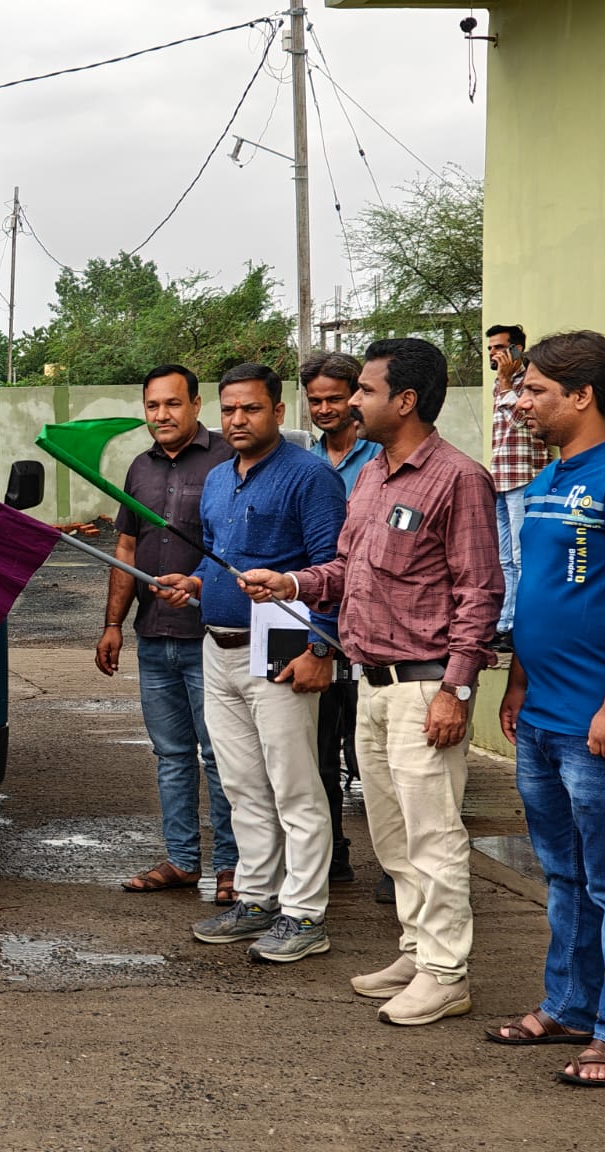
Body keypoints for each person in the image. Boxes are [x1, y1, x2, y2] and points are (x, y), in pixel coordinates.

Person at [241, 338, 502, 1024]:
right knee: (392, 834)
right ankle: (418, 952)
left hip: (425, 686)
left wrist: (458, 689)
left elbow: (480, 592)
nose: (350, 402)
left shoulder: (457, 478)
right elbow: (345, 572)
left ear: (405, 401)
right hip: (371, 684)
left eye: (363, 391)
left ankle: (447, 973)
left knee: (433, 835)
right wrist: (291, 581)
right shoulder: (372, 477)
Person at [489, 330, 605, 1087]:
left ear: (582, 395)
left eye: (532, 390)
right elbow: (544, 593)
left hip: (601, 723)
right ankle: (569, 1006)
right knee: (563, 875)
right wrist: (521, 681)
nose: (519, 400)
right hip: (542, 717)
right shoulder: (550, 477)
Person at [161, 363, 347, 964]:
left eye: (251, 409)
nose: (238, 420)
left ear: (279, 412)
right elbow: (227, 559)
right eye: (229, 410)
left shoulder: (311, 478)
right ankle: (258, 897)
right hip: (216, 647)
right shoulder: (218, 479)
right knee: (242, 785)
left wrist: (320, 648)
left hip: (284, 651)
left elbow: (334, 570)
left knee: (294, 786)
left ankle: (305, 914)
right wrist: (193, 584)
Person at [97, 365, 237, 903]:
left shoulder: (228, 460)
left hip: (213, 636)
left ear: (196, 404)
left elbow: (240, 546)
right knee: (172, 756)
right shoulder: (139, 468)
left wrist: (201, 585)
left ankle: (231, 867)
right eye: (153, 406)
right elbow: (126, 550)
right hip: (154, 638)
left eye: (172, 404)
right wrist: (112, 625)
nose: (162, 415)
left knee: (219, 756)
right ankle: (182, 861)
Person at [299, 352, 382, 888]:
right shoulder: (305, 463)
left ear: (357, 395)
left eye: (336, 398)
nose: (326, 409)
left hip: (376, 627)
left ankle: (398, 869)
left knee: (376, 757)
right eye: (316, 400)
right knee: (321, 752)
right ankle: (334, 855)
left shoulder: (382, 459)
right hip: (320, 624)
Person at [487, 324, 550, 653]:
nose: (494, 355)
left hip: (524, 478)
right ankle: (505, 623)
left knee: (521, 556)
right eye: (490, 350)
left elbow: (521, 423)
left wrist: (503, 383)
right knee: (503, 559)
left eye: (500, 347)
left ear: (518, 349)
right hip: (501, 478)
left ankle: (522, 625)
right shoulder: (503, 385)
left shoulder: (529, 384)